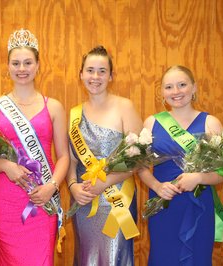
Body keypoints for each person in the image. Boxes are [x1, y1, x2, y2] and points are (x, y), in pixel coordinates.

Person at [0, 29, 69, 266]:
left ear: (38, 66)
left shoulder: (54, 107)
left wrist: (52, 186)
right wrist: (6, 166)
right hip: (6, 198)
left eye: (28, 62)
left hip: (42, 195)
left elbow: (64, 156)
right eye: (15, 63)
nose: (22, 68)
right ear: (7, 67)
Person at [139, 65, 223, 265]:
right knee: (163, 257)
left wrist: (199, 178)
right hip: (163, 202)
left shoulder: (210, 123)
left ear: (194, 88)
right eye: (169, 87)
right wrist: (157, 186)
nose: (176, 92)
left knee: (198, 258)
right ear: (161, 92)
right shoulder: (151, 123)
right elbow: (141, 167)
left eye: (182, 85)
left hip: (199, 205)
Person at [66, 45, 143, 266]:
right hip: (84, 199)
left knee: (114, 257)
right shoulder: (74, 114)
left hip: (117, 199)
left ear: (111, 76)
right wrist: (72, 186)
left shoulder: (124, 107)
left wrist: (104, 183)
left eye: (102, 71)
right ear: (81, 74)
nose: (95, 76)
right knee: (86, 257)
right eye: (90, 70)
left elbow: (138, 159)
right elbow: (72, 160)